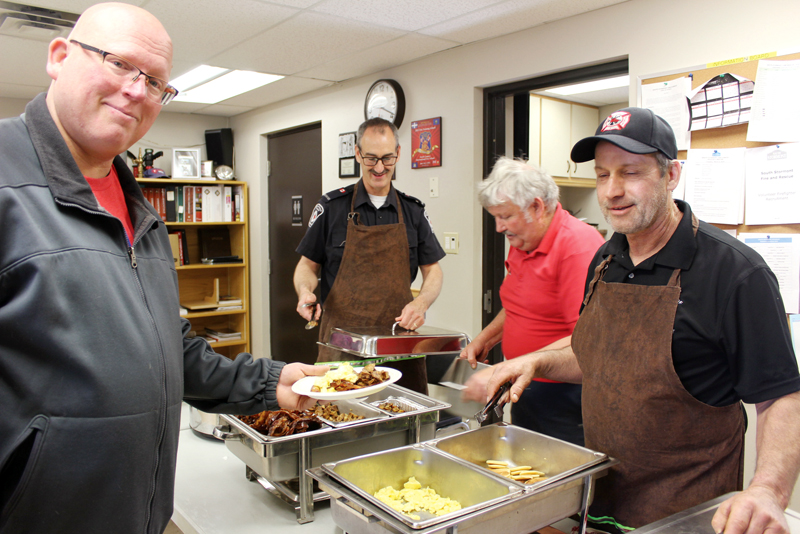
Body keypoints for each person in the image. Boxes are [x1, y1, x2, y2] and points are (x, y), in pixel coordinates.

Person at [0, 4, 326, 533]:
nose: (136, 90)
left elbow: (169, 349)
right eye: (118, 63)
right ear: (59, 57)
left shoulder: (141, 212)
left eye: (154, 81)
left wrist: (273, 380)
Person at [483, 107, 800, 533]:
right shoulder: (606, 258)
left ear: (671, 175)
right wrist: (536, 362)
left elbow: (780, 396)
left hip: (686, 511)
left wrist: (768, 490)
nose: (612, 191)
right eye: (601, 175)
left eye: (630, 172)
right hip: (601, 494)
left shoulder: (736, 272)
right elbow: (595, 358)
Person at [294, 118, 446, 393]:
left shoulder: (413, 211)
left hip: (399, 348)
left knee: (405, 426)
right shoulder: (331, 207)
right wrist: (305, 292)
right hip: (342, 347)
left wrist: (421, 303)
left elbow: (433, 270)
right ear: (357, 154)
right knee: (342, 423)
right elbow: (307, 266)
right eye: (371, 158)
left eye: (387, 158)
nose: (379, 168)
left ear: (399, 153)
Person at [460, 157, 604, 445]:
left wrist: (513, 366)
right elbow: (518, 305)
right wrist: (486, 339)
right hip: (528, 383)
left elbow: (588, 337)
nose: (499, 227)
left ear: (537, 207)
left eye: (506, 217)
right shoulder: (523, 240)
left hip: (564, 396)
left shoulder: (577, 247)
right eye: (495, 217)